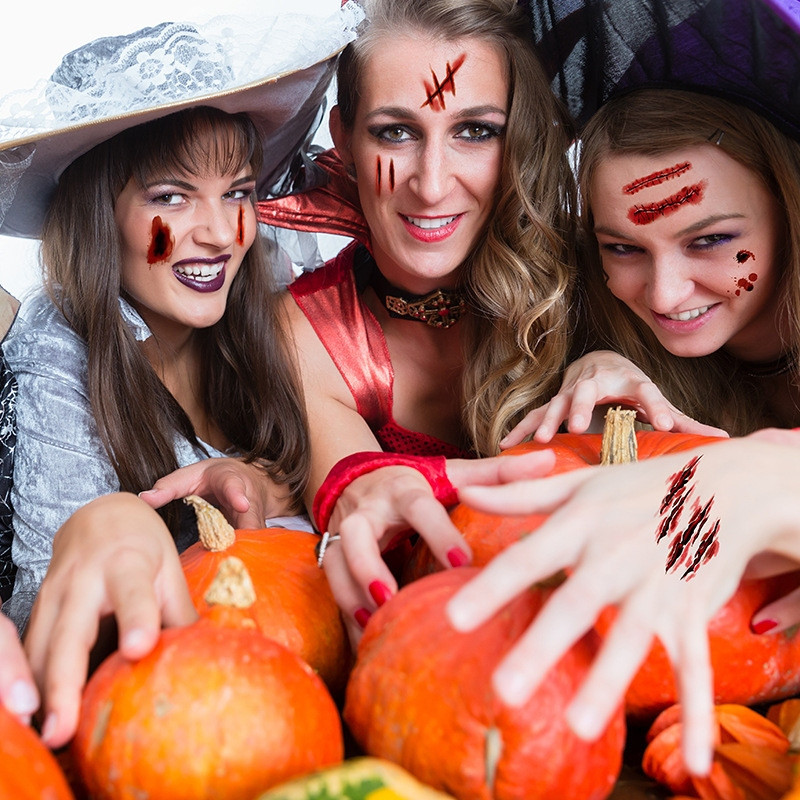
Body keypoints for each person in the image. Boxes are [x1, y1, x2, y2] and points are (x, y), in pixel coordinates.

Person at [0, 8, 361, 738]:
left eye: (237, 192)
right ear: (101, 215)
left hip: (312, 692)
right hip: (178, 722)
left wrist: (262, 485)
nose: (220, 232)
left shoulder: (269, 306)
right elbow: (56, 616)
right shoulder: (59, 357)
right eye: (171, 196)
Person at [505, 87, 800, 444]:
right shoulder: (578, 318)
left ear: (789, 216)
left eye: (709, 240)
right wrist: (601, 370)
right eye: (623, 248)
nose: (664, 297)